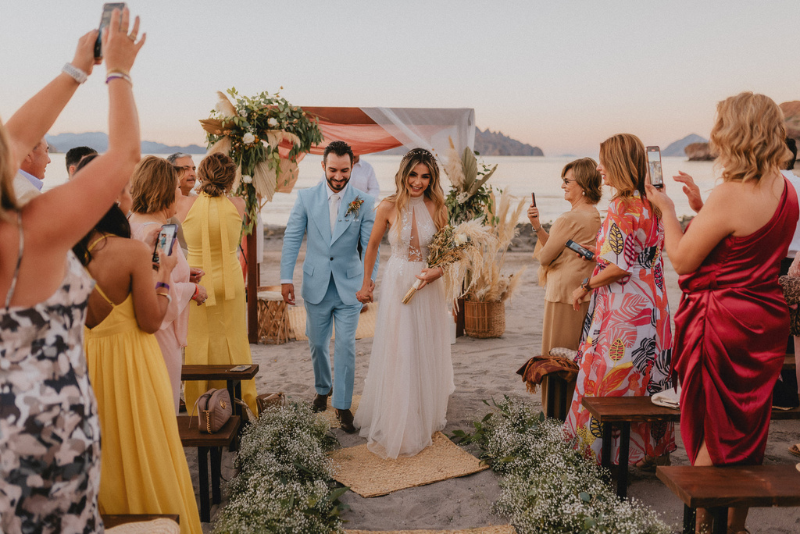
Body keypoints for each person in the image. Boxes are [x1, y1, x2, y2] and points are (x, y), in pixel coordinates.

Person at [0, 9, 144, 531]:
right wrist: (116, 71)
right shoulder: (32, 229)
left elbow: (14, 138)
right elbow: (126, 154)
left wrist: (75, 68)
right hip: (47, 435)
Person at [646, 92, 798, 534]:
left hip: (723, 322)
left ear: (733, 134)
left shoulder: (731, 193)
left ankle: (706, 527)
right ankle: (735, 526)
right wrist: (701, 210)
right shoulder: (784, 188)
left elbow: (684, 259)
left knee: (713, 429)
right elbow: (749, 244)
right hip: (764, 318)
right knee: (747, 424)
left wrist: (669, 210)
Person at [75, 156, 202, 534]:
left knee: (106, 451)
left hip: (88, 362)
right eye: (125, 190)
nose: (131, 194)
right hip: (131, 361)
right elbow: (150, 319)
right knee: (147, 448)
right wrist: (161, 271)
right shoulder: (129, 251)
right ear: (112, 198)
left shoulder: (70, 253)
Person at [564, 133, 675, 469]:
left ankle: (603, 458)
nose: (599, 168)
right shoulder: (656, 202)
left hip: (624, 310)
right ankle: (649, 454)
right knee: (648, 379)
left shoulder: (620, 206)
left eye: (604, 161)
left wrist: (585, 284)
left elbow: (617, 267)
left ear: (620, 164)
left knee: (609, 379)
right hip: (655, 305)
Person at [354, 147, 454, 458]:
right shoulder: (386, 206)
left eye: (425, 176)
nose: (418, 182)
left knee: (423, 345)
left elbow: (449, 255)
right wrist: (366, 282)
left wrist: (435, 275)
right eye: (413, 175)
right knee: (399, 346)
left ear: (432, 178)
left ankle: (421, 413)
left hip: (426, 285)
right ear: (403, 174)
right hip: (397, 280)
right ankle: (399, 416)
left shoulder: (438, 207)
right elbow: (371, 246)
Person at [281, 140, 378, 432]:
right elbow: (291, 238)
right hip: (316, 283)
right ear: (323, 166)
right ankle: (323, 389)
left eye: (345, 170)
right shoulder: (306, 198)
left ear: (352, 168)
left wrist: (368, 283)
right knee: (317, 343)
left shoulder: (363, 201)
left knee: (347, 345)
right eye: (333, 170)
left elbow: (370, 246)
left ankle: (343, 405)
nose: (339, 177)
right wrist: (286, 278)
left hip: (351, 285)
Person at [129, 155, 207, 413]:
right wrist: (193, 289)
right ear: (164, 191)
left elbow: (155, 273)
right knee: (164, 409)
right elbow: (160, 296)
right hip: (161, 338)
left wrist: (185, 274)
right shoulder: (160, 234)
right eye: (175, 187)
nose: (180, 193)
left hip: (139, 337)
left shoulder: (133, 223)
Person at [183, 152, 258, 414]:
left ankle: (200, 407)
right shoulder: (239, 203)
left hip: (197, 282)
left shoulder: (184, 205)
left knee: (199, 341)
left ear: (201, 175)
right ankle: (239, 405)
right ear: (231, 179)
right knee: (234, 339)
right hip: (231, 285)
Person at [528, 158, 602, 419]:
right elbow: (560, 249)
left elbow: (546, 257)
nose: (563, 185)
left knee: (556, 358)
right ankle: (574, 414)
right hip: (583, 292)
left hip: (562, 294)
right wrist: (539, 227)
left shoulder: (568, 218)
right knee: (575, 355)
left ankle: (554, 415)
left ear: (582, 185)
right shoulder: (594, 214)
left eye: (567, 181)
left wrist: (540, 232)